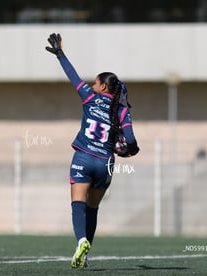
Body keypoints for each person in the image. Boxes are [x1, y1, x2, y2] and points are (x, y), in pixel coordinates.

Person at [45, 33, 139, 268]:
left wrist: (60, 55)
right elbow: (132, 142)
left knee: (78, 203)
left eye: (96, 82)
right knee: (93, 207)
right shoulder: (122, 111)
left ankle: (81, 241)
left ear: (102, 86)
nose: (92, 85)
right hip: (105, 163)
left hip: (84, 157)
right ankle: (85, 255)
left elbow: (72, 76)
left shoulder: (88, 97)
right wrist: (127, 153)